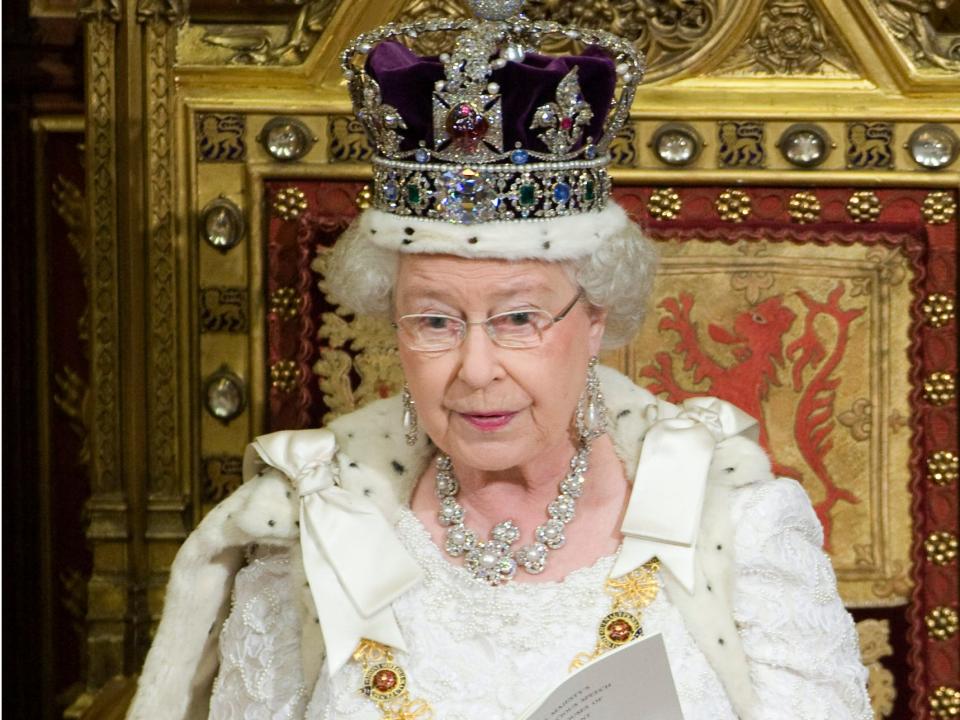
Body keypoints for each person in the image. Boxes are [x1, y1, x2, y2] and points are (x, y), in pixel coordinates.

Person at [128, 2, 871, 718]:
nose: (476, 369)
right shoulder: (314, 521)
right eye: (434, 321)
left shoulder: (734, 519)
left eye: (519, 318)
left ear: (594, 319)